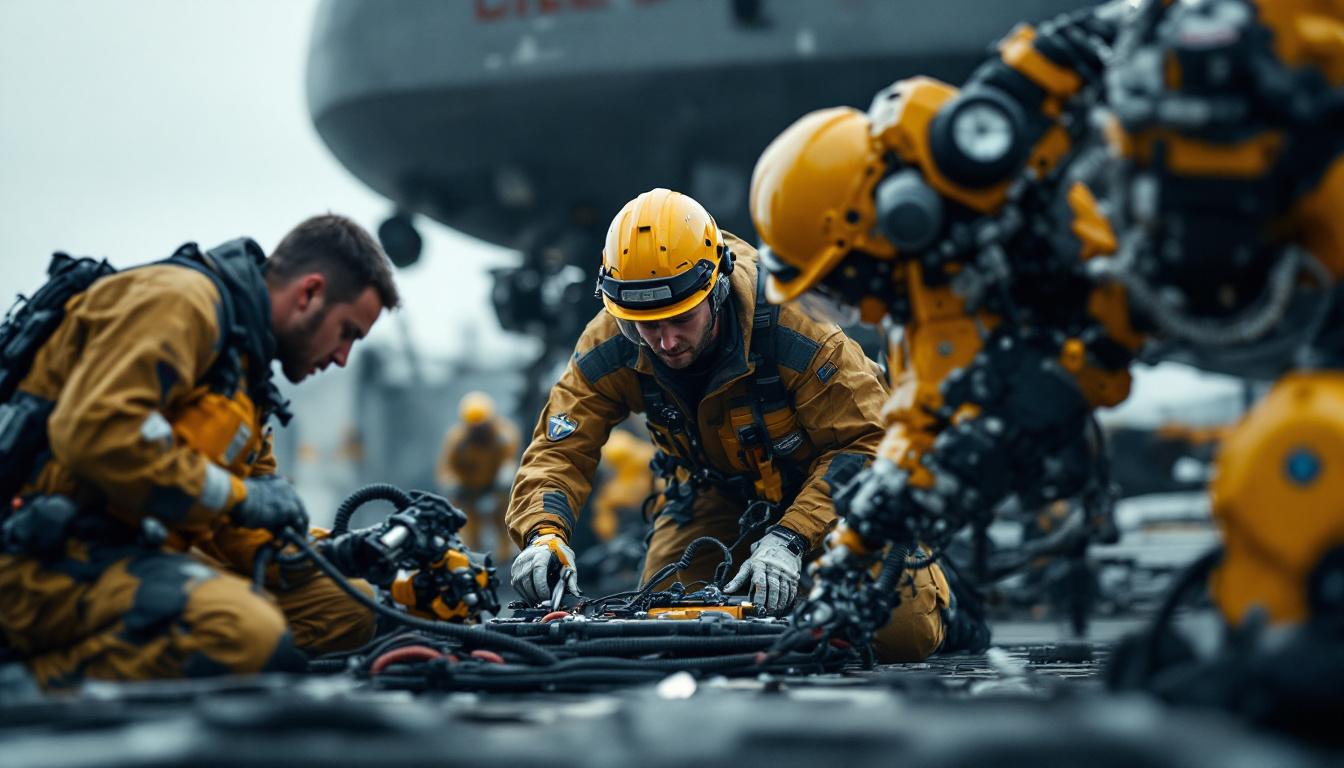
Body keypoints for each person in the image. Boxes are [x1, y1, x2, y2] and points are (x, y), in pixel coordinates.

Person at [504, 188, 948, 660]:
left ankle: (949, 606)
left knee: (901, 633)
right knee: (664, 629)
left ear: (716, 290)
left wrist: (791, 537)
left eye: (681, 319)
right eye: (646, 326)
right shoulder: (611, 340)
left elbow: (871, 443)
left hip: (826, 496)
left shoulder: (800, 326)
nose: (666, 342)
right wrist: (544, 534)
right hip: (711, 496)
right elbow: (559, 449)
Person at [0, 214, 400, 686]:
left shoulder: (243, 373)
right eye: (347, 331)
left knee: (350, 607)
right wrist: (241, 498)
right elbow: (97, 434)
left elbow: (241, 534)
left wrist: (339, 553)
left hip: (127, 550)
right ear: (309, 293)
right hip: (40, 560)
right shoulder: (181, 304)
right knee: (239, 631)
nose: (342, 357)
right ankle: (28, 686)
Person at [435, 390, 520, 562]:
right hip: (468, 491)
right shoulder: (456, 439)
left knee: (505, 521)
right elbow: (445, 468)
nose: (478, 429)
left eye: (482, 425)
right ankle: (472, 562)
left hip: (496, 488)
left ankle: (507, 559)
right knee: (468, 529)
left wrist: (507, 471)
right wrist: (451, 483)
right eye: (474, 426)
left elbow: (510, 457)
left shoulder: (504, 434)